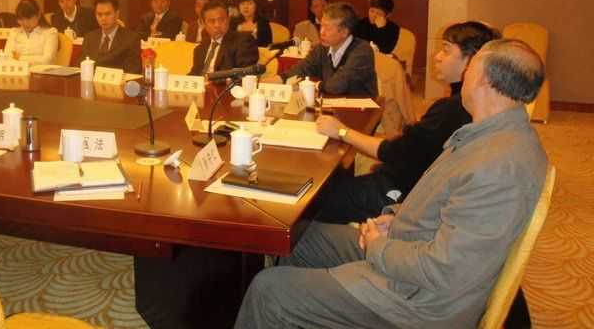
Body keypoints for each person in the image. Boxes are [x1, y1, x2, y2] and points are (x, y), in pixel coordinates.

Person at [235, 38, 548, 329]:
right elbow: (445, 203)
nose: (465, 74)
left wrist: (379, 247)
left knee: (268, 291)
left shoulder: (499, 166)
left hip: (415, 300)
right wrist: (395, 218)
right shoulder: (491, 134)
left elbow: (446, 270)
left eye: (471, 67)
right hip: (407, 250)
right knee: (301, 238)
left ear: (484, 81)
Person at [313, 21, 498, 224]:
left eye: (446, 50)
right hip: (413, 183)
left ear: (472, 61)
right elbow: (416, 145)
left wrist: (341, 131)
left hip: (404, 195)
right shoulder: (476, 104)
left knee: (316, 201)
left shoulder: (452, 109)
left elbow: (395, 153)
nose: (437, 56)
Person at [280, 2, 377, 97]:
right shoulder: (322, 49)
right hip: (331, 104)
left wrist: (317, 85)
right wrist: (280, 79)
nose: (322, 32)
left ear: (344, 32)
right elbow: (302, 68)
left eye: (327, 28)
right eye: (321, 26)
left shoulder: (362, 51)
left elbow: (338, 85)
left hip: (361, 106)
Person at [189, 1, 258, 77]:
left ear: (228, 19)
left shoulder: (243, 41)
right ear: (204, 24)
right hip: (200, 84)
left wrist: (210, 80)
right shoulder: (199, 49)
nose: (217, 25)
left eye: (221, 20)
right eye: (212, 21)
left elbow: (243, 75)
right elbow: (194, 74)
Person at [81, 0, 141, 74]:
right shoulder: (89, 38)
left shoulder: (131, 39)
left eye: (107, 14)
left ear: (117, 14)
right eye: (99, 14)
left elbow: (132, 71)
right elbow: (81, 66)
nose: (103, 18)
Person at [3, 0, 58, 65]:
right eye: (21, 19)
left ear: (38, 15)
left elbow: (47, 60)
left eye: (28, 19)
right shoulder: (14, 32)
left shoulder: (50, 33)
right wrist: (36, 59)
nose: (25, 23)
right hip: (19, 70)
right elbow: (7, 56)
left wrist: (20, 58)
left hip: (42, 71)